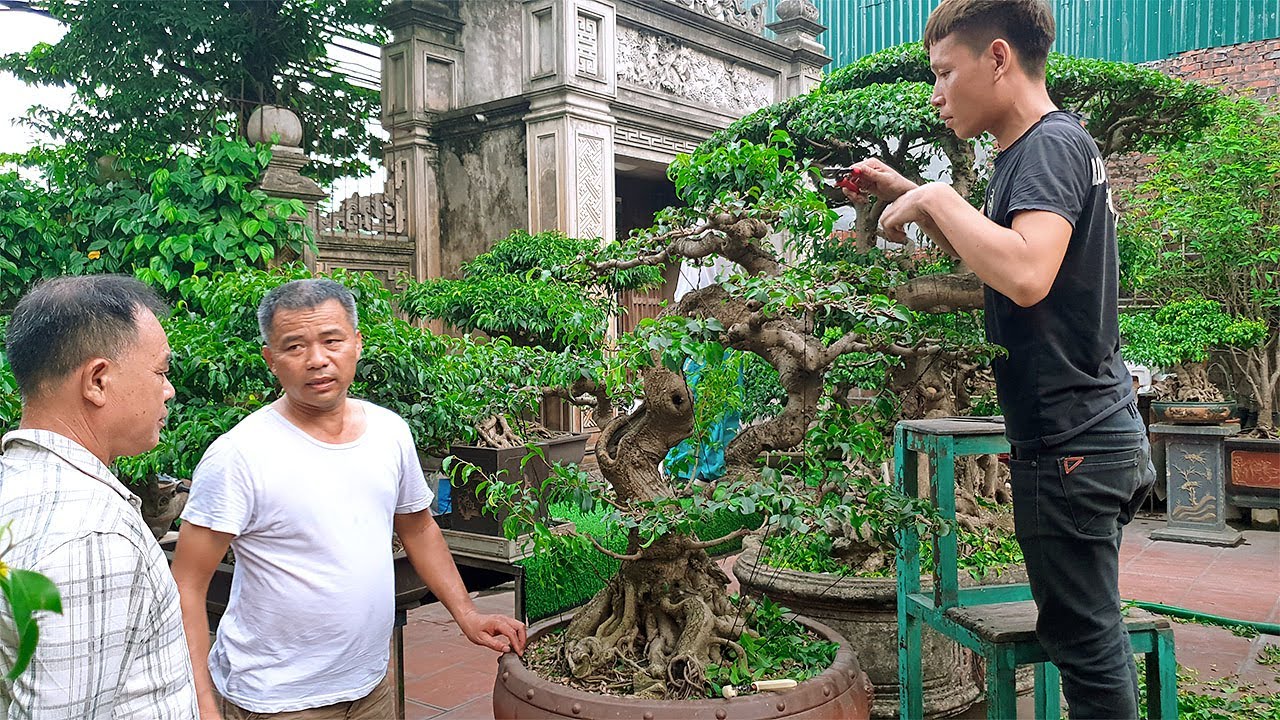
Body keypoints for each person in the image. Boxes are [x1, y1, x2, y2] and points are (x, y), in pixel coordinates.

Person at [843, 1, 1155, 717]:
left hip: (1072, 445)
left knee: (1087, 648)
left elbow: (1025, 273)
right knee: (1086, 637)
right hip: (1084, 436)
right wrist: (913, 198)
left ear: (999, 58)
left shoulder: (1047, 146)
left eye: (945, 73)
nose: (936, 93)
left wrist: (936, 195)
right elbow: (1005, 262)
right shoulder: (1033, 149)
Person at [171, 279, 526, 720]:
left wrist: (468, 614)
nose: (317, 359)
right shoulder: (239, 455)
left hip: (370, 683)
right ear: (271, 360)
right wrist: (203, 702)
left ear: (357, 344)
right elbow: (187, 584)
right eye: (295, 346)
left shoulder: (388, 432)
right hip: (277, 698)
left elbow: (417, 527)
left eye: (332, 340)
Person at [0, 276, 198, 718]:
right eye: (161, 372)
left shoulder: (14, 484)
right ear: (98, 381)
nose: (167, 390)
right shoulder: (90, 535)